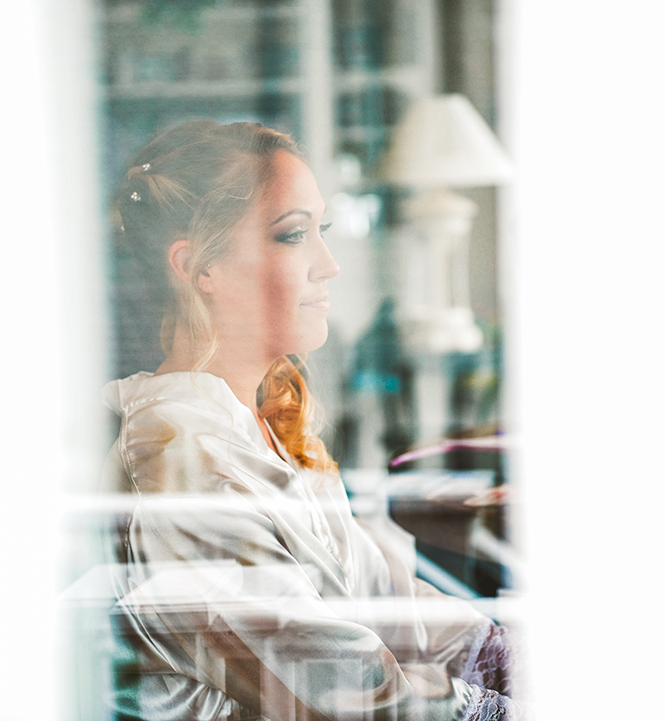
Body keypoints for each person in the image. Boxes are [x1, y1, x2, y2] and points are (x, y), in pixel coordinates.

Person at [102, 119, 525, 721]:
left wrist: (509, 658)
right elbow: (348, 696)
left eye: (319, 231)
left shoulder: (259, 427)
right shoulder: (178, 459)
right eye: (293, 235)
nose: (328, 264)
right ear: (200, 270)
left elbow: (391, 601)